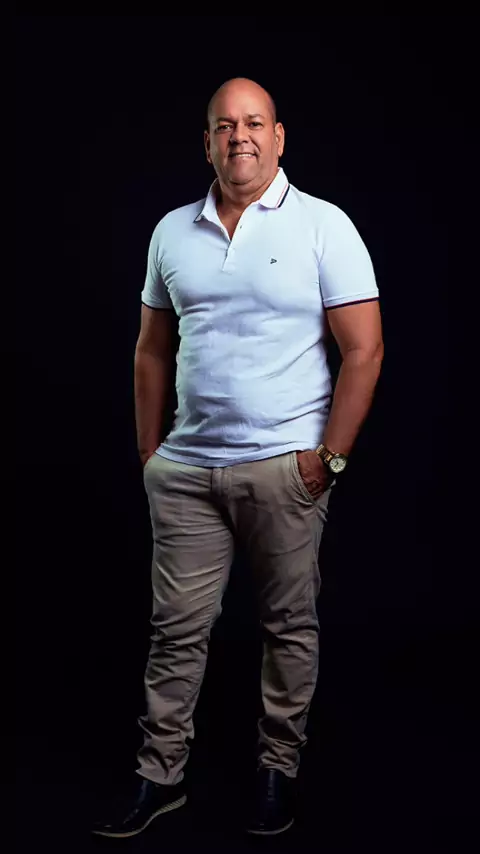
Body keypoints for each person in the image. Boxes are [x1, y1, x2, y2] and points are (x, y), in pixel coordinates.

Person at [92, 77, 383, 839]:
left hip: (284, 468)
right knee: (175, 631)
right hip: (186, 472)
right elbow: (151, 349)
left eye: (254, 123)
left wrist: (330, 460)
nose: (239, 136)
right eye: (225, 125)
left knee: (287, 626)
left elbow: (364, 349)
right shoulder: (171, 231)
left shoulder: (324, 225)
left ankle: (276, 772)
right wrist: (150, 450)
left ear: (278, 137)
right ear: (207, 142)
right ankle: (160, 777)